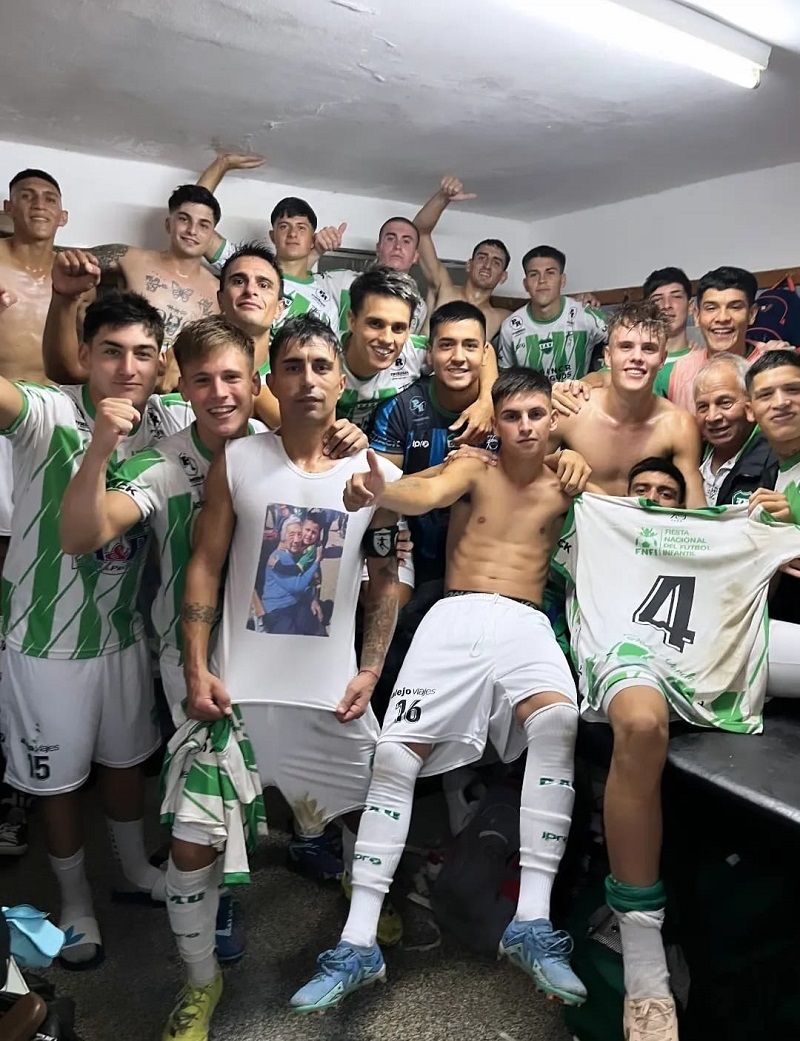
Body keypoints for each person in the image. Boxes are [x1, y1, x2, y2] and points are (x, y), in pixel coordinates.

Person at [291, 367, 591, 1014]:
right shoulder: (474, 467)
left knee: (557, 722)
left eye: (537, 415)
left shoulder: (570, 479)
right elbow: (422, 492)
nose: (526, 427)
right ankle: (357, 941)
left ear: (553, 418)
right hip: (454, 615)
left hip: (525, 619)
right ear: (496, 421)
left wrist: (580, 462)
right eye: (512, 416)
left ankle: (532, 921)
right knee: (395, 757)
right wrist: (379, 486)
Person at [173, 315, 403, 1040]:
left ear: (342, 380)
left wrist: (372, 667)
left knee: (375, 813)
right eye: (293, 366)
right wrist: (195, 666)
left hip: (330, 697)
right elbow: (204, 564)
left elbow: (386, 577)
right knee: (190, 848)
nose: (307, 379)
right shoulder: (239, 460)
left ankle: (356, 893)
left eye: (321, 365)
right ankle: (198, 983)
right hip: (235, 696)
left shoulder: (375, 474)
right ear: (271, 379)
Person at [560, 479, 800, 1041]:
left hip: (718, 641)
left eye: (666, 490)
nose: (652, 497)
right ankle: (645, 973)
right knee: (644, 726)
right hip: (629, 645)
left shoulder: (732, 526)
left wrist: (788, 528)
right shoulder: (596, 517)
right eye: (640, 488)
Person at [0, 291, 194, 968]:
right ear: (83, 355)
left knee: (125, 760)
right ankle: (75, 900)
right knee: (57, 785)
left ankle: (135, 869)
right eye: (111, 351)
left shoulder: (168, 419)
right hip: (44, 642)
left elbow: (237, 406)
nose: (127, 367)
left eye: (143, 353)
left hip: (122, 634)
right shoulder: (49, 412)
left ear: (161, 362)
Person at [551, 300, 705, 504]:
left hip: (646, 524)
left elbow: (695, 507)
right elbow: (522, 475)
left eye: (649, 349)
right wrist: (557, 460)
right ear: (608, 356)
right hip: (578, 523)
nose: (637, 357)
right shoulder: (572, 409)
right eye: (626, 347)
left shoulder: (679, 425)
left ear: (662, 359)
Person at [339, 266, 496, 443]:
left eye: (398, 328)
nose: (386, 339)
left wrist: (487, 401)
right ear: (352, 321)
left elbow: (485, 351)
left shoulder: (413, 352)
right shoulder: (324, 358)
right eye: (375, 324)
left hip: (376, 444)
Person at [0, 170, 69, 573]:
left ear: (63, 216)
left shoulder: (76, 276)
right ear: (9, 208)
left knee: (43, 533)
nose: (39, 204)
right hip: (2, 414)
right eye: (27, 196)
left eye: (49, 198)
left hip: (52, 420)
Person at [196, 155, 340, 332]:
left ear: (313, 239)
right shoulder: (247, 267)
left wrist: (318, 252)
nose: (292, 233)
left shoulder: (325, 303)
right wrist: (222, 163)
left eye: (301, 228)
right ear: (272, 236)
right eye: (284, 226)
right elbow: (196, 220)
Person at [412, 176, 512, 341]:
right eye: (482, 257)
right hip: (426, 358)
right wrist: (443, 197)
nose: (487, 265)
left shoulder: (502, 318)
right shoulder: (444, 288)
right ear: (469, 265)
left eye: (496, 262)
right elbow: (420, 232)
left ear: (503, 276)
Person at [653, 266, 761, 412]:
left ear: (752, 314)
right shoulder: (675, 373)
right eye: (711, 308)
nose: (722, 318)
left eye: (735, 307)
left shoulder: (774, 365)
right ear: (697, 316)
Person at [498, 246, 607, 381]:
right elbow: (505, 379)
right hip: (531, 395)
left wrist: (599, 378)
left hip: (579, 394)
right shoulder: (510, 327)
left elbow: (624, 343)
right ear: (525, 284)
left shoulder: (587, 316)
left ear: (562, 280)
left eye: (550, 273)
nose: (542, 280)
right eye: (534, 274)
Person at [694, 352, 775, 506]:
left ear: (750, 405)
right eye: (703, 406)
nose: (712, 417)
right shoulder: (691, 455)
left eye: (725, 403)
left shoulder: (775, 460)